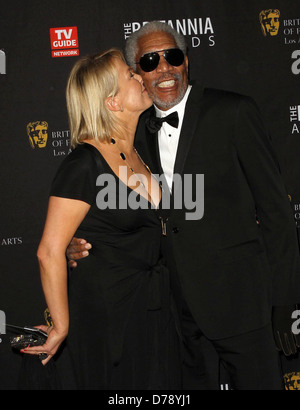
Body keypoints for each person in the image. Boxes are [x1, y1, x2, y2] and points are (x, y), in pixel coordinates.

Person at [67, 22, 300, 390]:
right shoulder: (132, 133)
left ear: (186, 62)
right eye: (149, 61)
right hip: (175, 318)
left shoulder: (234, 111)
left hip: (245, 309)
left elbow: (277, 214)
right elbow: (108, 210)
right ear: (137, 75)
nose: (163, 68)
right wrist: (72, 242)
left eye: (172, 56)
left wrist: (286, 301)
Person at [21, 48, 181, 390]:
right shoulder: (84, 164)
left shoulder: (143, 150)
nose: (140, 76)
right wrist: (61, 325)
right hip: (108, 321)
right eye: (129, 74)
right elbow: (49, 250)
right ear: (112, 102)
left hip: (154, 312)